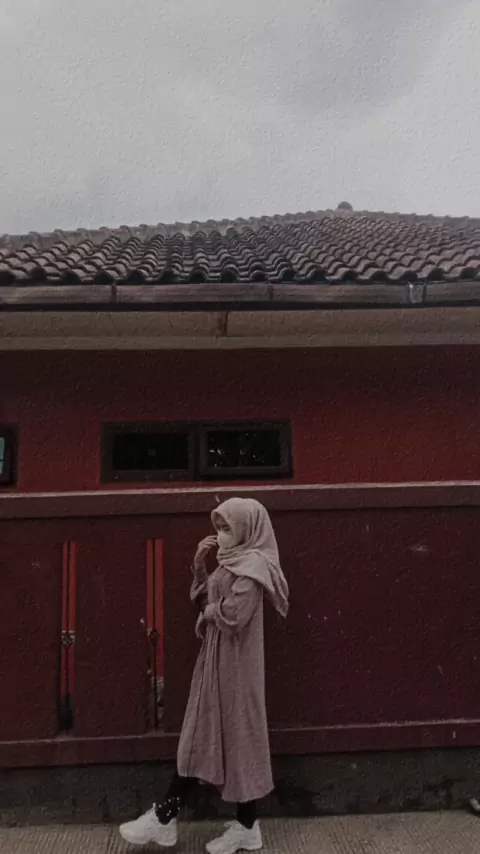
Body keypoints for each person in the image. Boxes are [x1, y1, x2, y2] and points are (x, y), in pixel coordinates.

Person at [119, 496, 289, 854]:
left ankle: (168, 817)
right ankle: (240, 825)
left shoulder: (253, 567)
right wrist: (199, 567)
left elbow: (234, 615)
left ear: (247, 529)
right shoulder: (230, 563)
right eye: (219, 526)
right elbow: (204, 601)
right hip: (217, 661)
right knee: (214, 736)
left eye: (228, 526)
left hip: (237, 669)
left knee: (229, 738)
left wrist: (208, 612)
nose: (221, 533)